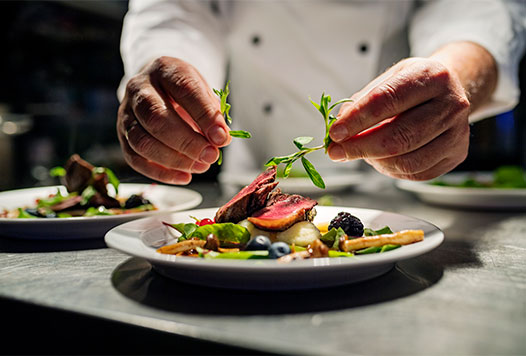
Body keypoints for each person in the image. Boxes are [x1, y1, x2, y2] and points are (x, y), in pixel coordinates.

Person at [117, 0, 525, 185]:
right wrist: (168, 84)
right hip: (248, 181)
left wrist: (455, 72)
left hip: (392, 192)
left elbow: (479, 10)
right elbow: (174, 11)